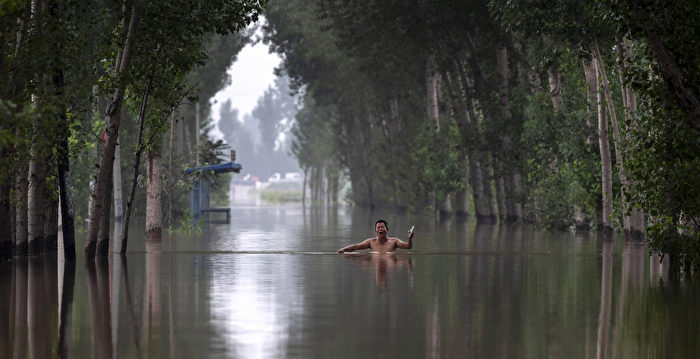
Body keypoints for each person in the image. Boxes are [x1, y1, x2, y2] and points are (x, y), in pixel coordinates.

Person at [337, 219, 414, 254]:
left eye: (382, 227)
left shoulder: (394, 241)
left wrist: (410, 238)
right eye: (378, 228)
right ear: (375, 231)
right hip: (375, 261)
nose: (380, 229)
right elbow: (356, 247)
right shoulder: (371, 242)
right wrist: (343, 249)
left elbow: (408, 247)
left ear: (387, 229)